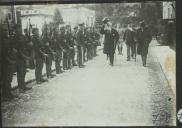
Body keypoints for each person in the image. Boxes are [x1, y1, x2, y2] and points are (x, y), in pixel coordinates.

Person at [14, 24, 32, 92]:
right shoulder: (15, 37)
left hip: (23, 56)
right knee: (20, 73)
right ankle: (20, 88)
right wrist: (24, 56)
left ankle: (23, 86)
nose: (19, 30)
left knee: (24, 72)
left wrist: (28, 42)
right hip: (19, 57)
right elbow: (16, 49)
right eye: (18, 28)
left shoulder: (21, 36)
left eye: (20, 28)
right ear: (15, 30)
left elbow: (25, 43)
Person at [1, 24, 17, 99]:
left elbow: (10, 49)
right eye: (4, 30)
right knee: (6, 79)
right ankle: (6, 95)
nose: (6, 32)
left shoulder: (7, 39)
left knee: (9, 79)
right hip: (5, 62)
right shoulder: (2, 41)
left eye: (6, 30)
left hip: (9, 61)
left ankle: (8, 93)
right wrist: (10, 61)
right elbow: (3, 54)